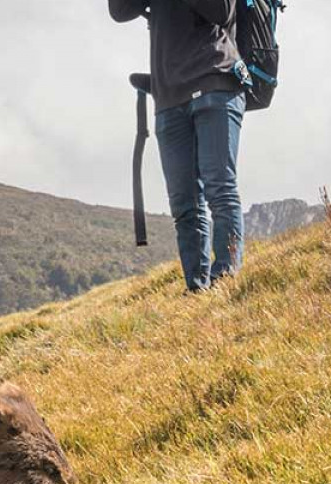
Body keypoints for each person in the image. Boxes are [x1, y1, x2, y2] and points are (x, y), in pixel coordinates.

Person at [110, 0, 246, 292]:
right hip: (169, 96)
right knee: (184, 204)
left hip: (215, 82)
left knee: (219, 187)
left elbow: (222, 12)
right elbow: (119, 11)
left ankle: (226, 280)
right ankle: (197, 289)